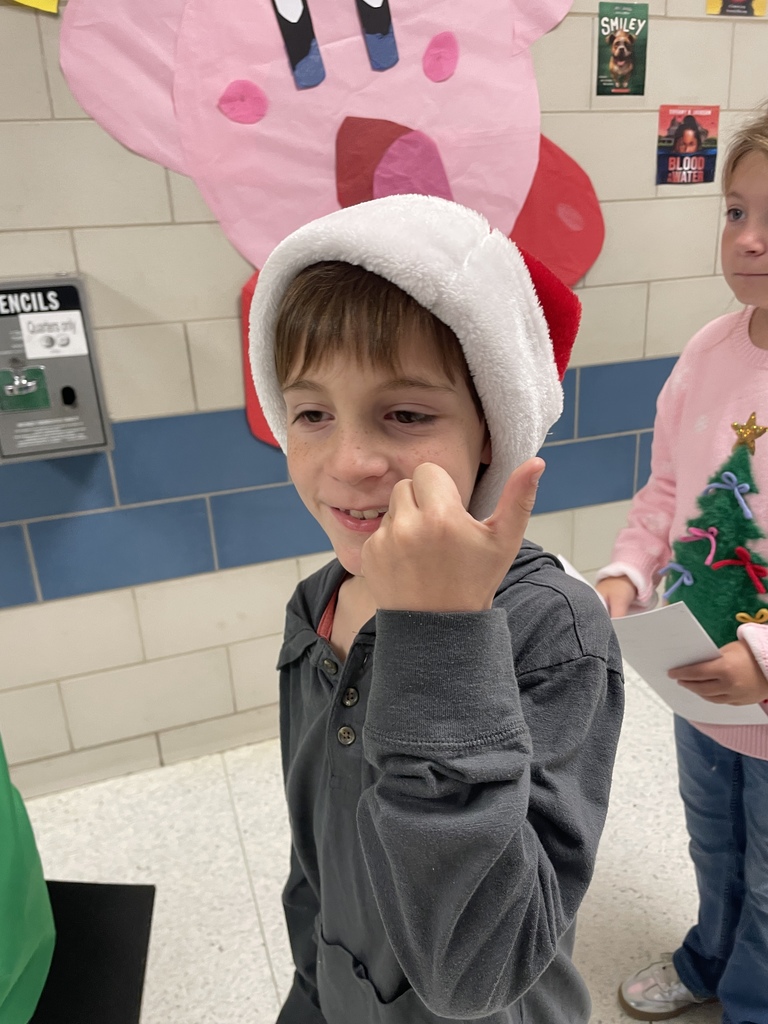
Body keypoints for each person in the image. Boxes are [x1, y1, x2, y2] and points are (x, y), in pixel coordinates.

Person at [249, 193, 624, 1024]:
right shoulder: (319, 605)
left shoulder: (552, 628)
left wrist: (442, 638)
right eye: (311, 413)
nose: (348, 462)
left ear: (490, 430)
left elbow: (478, 972)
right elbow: (317, 860)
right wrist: (311, 995)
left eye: (407, 414)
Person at [596, 105, 768, 1023]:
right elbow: (668, 489)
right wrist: (628, 569)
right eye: (735, 211)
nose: (748, 240)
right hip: (696, 678)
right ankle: (710, 956)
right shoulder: (709, 350)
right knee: (713, 841)